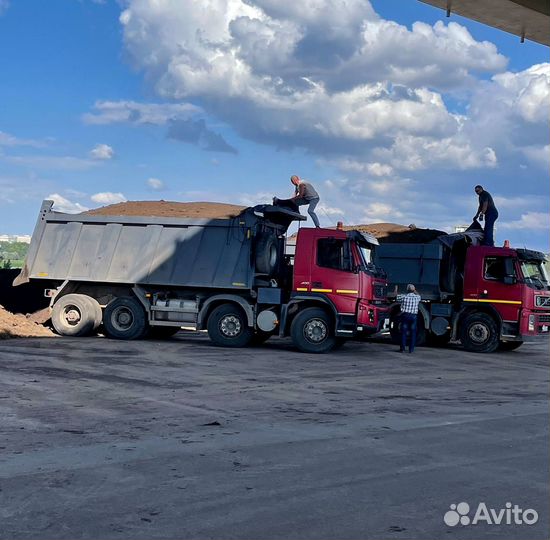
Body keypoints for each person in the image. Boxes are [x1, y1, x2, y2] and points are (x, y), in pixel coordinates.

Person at [395, 284, 421, 354]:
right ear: (414, 290)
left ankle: (402, 349)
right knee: (413, 333)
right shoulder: (417, 297)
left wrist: (396, 289)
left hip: (405, 316)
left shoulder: (404, 297)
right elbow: (419, 295)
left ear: (407, 290)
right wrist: (415, 290)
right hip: (413, 317)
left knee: (403, 332)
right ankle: (411, 350)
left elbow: (396, 296)